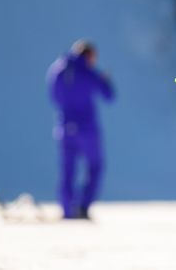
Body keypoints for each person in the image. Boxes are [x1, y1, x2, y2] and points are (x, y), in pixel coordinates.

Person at [47, 39, 114, 220]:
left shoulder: (58, 69)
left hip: (65, 127)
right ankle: (83, 207)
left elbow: (53, 95)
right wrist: (105, 80)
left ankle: (67, 211)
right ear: (89, 55)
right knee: (95, 166)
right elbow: (109, 96)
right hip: (87, 129)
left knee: (67, 171)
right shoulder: (88, 72)